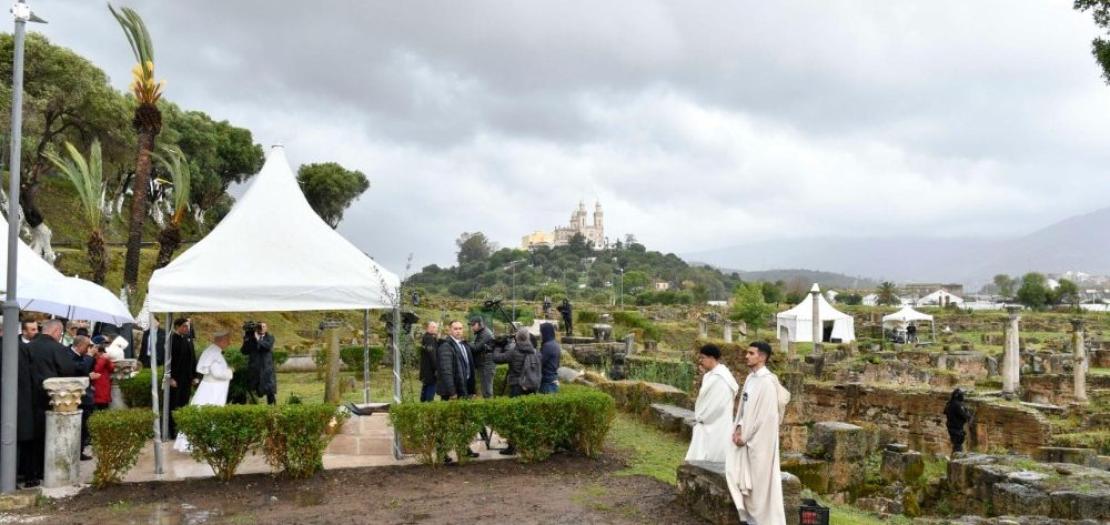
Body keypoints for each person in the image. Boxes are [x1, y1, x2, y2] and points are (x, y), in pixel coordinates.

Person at [726, 341, 787, 525]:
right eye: (747, 352)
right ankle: (749, 517)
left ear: (762, 357)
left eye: (751, 353)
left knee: (760, 483)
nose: (746, 356)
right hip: (745, 435)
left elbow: (764, 418)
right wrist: (738, 427)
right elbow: (744, 408)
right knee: (737, 474)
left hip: (760, 442)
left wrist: (745, 436)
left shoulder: (767, 383)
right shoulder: (751, 378)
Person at [24, 319, 79, 487]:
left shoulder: (27, 347)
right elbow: (69, 371)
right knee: (47, 435)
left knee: (30, 437)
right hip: (51, 399)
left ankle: (28, 474)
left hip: (28, 397)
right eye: (60, 333)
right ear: (56, 331)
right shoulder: (58, 349)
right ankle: (43, 470)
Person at [174, 331, 234, 453]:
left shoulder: (213, 351)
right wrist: (230, 371)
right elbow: (217, 373)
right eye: (227, 340)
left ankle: (205, 443)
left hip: (211, 389)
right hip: (212, 391)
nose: (229, 342)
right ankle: (207, 444)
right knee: (209, 414)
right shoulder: (214, 353)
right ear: (221, 340)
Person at [685, 344, 739, 463]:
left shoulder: (721, 378)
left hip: (716, 423)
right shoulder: (710, 375)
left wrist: (702, 417)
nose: (701, 361)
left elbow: (718, 405)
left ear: (712, 358)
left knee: (712, 457)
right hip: (705, 423)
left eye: (703, 357)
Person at [435, 321, 480, 463]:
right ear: (449, 330)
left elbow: (469, 369)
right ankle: (442, 453)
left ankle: (463, 449)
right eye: (455, 329)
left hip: (464, 389)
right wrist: (452, 392)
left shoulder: (465, 345)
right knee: (446, 423)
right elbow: (446, 372)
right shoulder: (445, 347)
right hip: (451, 392)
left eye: (460, 328)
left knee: (463, 422)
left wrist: (471, 391)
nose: (458, 331)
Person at [69, 335, 98, 460]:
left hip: (85, 395)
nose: (89, 349)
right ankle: (76, 452)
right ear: (81, 345)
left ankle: (79, 451)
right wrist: (90, 356)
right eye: (88, 346)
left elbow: (85, 370)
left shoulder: (81, 356)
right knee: (79, 427)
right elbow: (80, 368)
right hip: (76, 396)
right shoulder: (69, 354)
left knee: (84, 427)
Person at [167, 318, 197, 438]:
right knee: (174, 404)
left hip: (187, 378)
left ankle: (182, 430)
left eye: (188, 326)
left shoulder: (188, 339)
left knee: (184, 403)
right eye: (184, 326)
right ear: (177, 326)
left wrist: (194, 376)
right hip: (175, 379)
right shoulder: (171, 340)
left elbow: (193, 359)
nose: (187, 328)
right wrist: (170, 378)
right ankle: (172, 431)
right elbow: (167, 361)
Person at [241, 321, 277, 404]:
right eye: (260, 326)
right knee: (253, 390)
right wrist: (247, 339)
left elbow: (267, 346)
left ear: (266, 328)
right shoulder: (251, 338)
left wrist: (257, 339)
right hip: (255, 369)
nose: (262, 328)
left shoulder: (270, 337)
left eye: (264, 326)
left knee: (270, 391)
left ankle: (272, 408)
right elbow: (244, 351)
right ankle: (254, 408)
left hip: (267, 369)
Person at [469, 316, 495, 399]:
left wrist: (466, 343)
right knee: (485, 390)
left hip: (486, 366)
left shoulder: (485, 333)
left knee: (487, 392)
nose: (471, 327)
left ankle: (490, 409)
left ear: (479, 324)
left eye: (473, 325)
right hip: (483, 365)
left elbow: (476, 348)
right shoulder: (481, 332)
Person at [91, 336, 115, 411]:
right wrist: (103, 359)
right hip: (96, 388)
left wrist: (106, 360)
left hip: (104, 387)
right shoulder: (91, 357)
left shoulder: (104, 357)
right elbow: (96, 370)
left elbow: (112, 369)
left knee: (103, 409)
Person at [944, 388, 971, 454]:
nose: (963, 397)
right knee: (958, 448)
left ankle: (953, 460)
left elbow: (945, 411)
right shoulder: (957, 405)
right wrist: (967, 411)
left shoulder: (949, 403)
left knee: (956, 446)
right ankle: (955, 462)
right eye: (962, 395)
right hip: (956, 429)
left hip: (951, 427)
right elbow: (966, 416)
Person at [419, 321, 440, 402]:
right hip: (430, 370)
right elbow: (432, 354)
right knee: (431, 388)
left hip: (426, 369)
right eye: (433, 327)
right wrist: (436, 368)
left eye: (435, 327)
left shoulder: (427, 337)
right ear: (428, 328)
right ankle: (428, 406)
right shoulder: (429, 338)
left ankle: (422, 405)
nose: (435, 329)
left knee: (425, 387)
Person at [539, 323, 561, 394]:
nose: (540, 335)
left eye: (541, 332)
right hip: (553, 379)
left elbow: (540, 362)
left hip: (547, 383)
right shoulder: (555, 344)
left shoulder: (547, 346)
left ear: (545, 333)